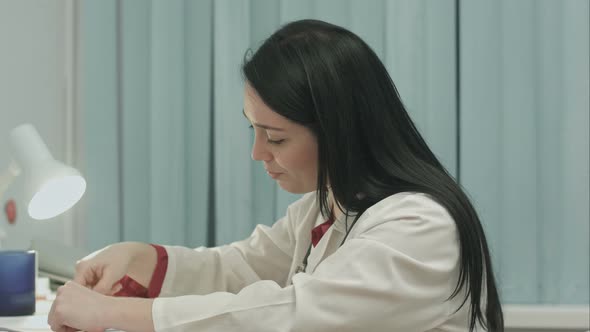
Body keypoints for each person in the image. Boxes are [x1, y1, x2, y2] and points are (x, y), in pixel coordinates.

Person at [48, 19, 503, 332]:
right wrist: (143, 258)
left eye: (276, 138)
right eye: (255, 130)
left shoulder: (419, 227)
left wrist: (116, 313)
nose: (257, 152)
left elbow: (297, 315)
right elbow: (241, 268)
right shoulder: (328, 208)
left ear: (338, 131)